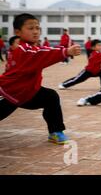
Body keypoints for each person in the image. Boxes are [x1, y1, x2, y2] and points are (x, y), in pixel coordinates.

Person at [0, 13, 81, 144]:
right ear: (18, 32)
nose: (36, 32)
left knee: (50, 97)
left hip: (27, 92)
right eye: (31, 28)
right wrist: (65, 52)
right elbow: (41, 55)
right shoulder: (24, 50)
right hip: (10, 93)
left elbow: (42, 51)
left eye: (37, 28)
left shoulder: (31, 48)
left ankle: (55, 132)